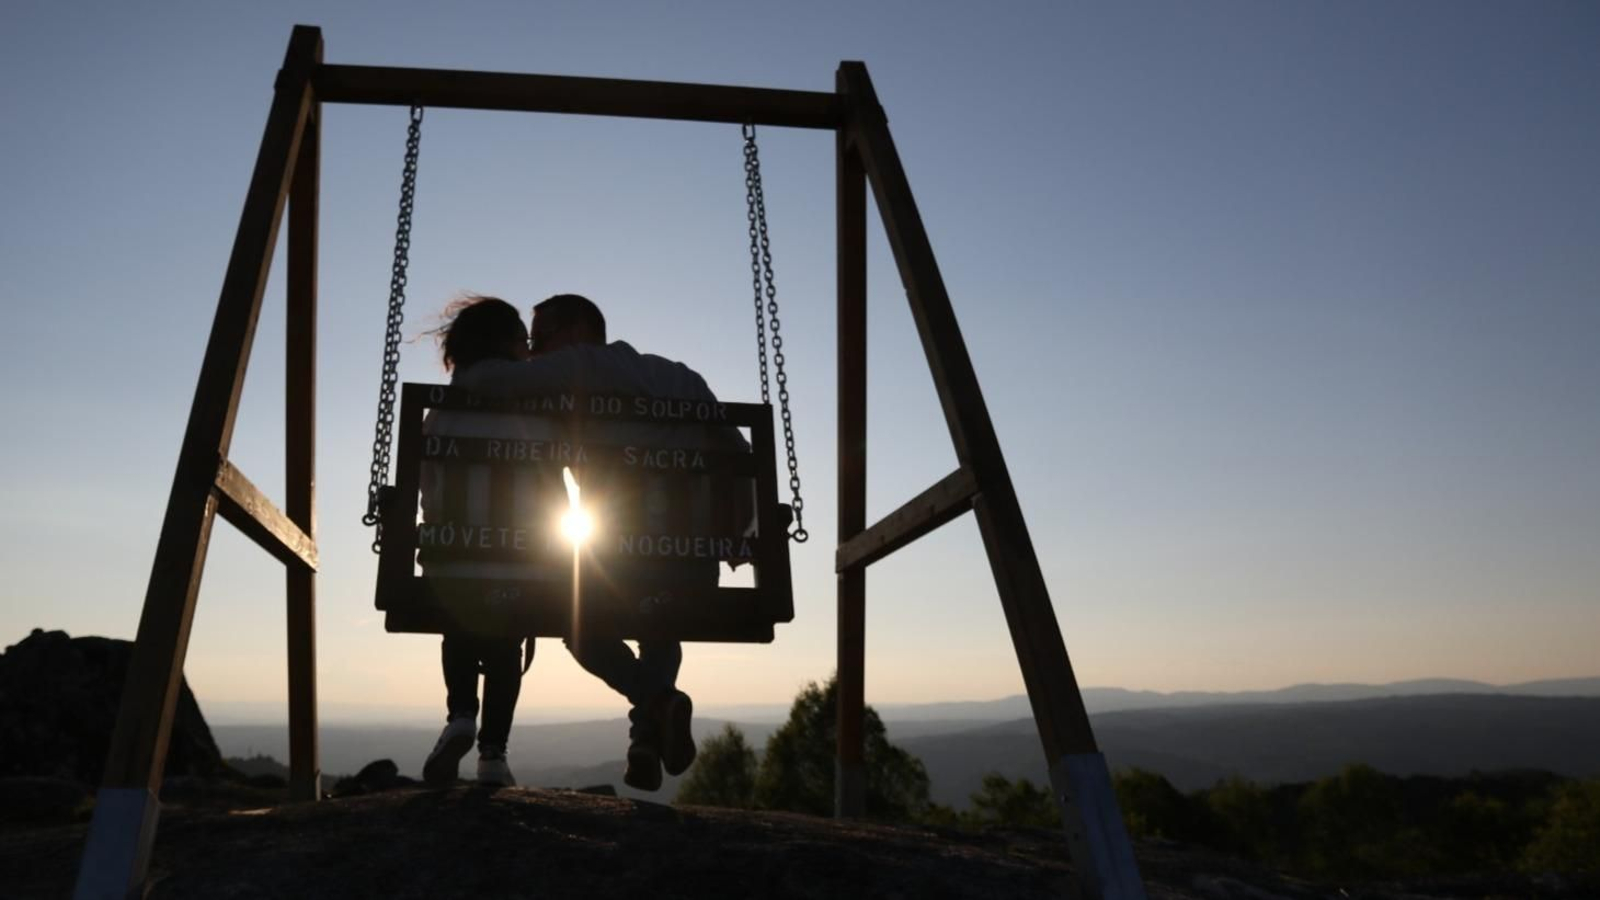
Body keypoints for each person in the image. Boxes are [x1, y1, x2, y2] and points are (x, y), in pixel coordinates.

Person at [452, 293, 750, 791]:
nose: (532, 351)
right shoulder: (682, 376)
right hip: (692, 566)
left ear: (574, 333)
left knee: (579, 629)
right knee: (662, 621)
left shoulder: (579, 366)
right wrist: (739, 537)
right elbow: (740, 455)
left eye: (539, 338)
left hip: (619, 561)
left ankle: (654, 704)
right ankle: (646, 739)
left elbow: (483, 380)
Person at [418, 296, 533, 788]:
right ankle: (493, 754)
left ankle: (461, 714)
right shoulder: (535, 409)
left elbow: (428, 489)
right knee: (507, 645)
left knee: (459, 622)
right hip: (523, 566)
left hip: (453, 565)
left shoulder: (441, 412)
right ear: (511, 344)